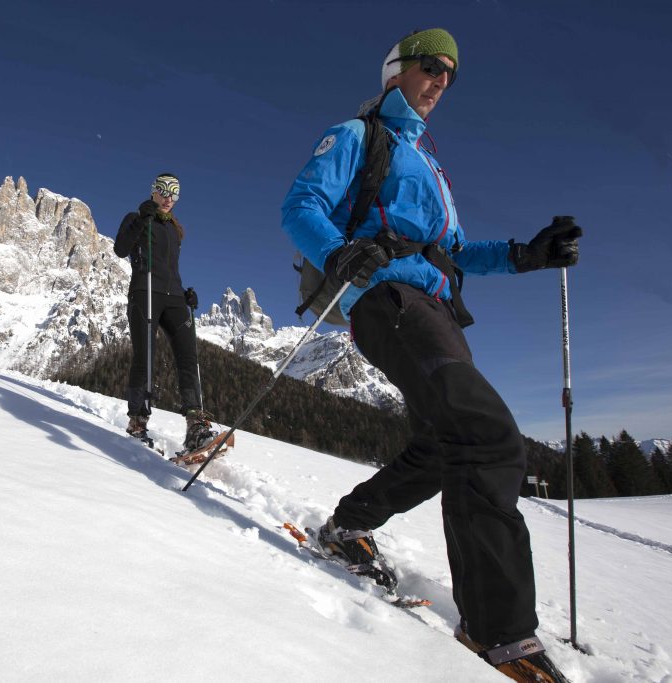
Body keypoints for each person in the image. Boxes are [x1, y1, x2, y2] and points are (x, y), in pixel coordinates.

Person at [281, 29, 580, 683]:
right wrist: (338, 253)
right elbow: (301, 205)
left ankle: (347, 525)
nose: (442, 78)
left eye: (450, 71)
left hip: (439, 312)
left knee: (447, 446)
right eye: (430, 66)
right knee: (489, 439)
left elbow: (459, 253)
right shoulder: (360, 137)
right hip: (388, 299)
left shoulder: (431, 167)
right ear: (397, 71)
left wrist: (529, 253)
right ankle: (498, 632)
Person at [114, 173, 214, 453]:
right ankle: (137, 422)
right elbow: (121, 249)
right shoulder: (136, 217)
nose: (169, 198)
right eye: (164, 191)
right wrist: (141, 219)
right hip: (144, 293)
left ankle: (196, 425)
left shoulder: (174, 229)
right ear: (153, 191)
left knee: (188, 356)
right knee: (144, 357)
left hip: (173, 297)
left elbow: (170, 268)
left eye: (175, 193)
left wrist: (184, 293)